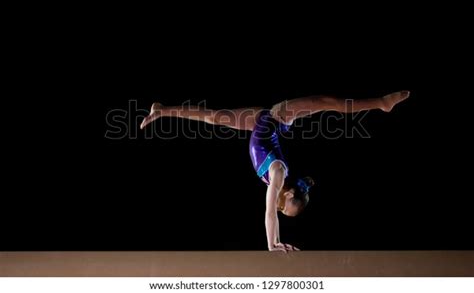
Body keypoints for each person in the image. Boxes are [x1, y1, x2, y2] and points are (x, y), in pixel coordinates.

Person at [140, 91, 410, 252]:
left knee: (212, 117)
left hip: (261, 121)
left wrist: (278, 241)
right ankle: (381, 103)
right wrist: (273, 244)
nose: (281, 209)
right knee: (331, 103)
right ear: (288, 192)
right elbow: (269, 213)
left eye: (284, 211)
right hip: (279, 116)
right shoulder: (278, 175)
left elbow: (273, 210)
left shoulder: (277, 180)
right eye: (286, 208)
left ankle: (162, 110)